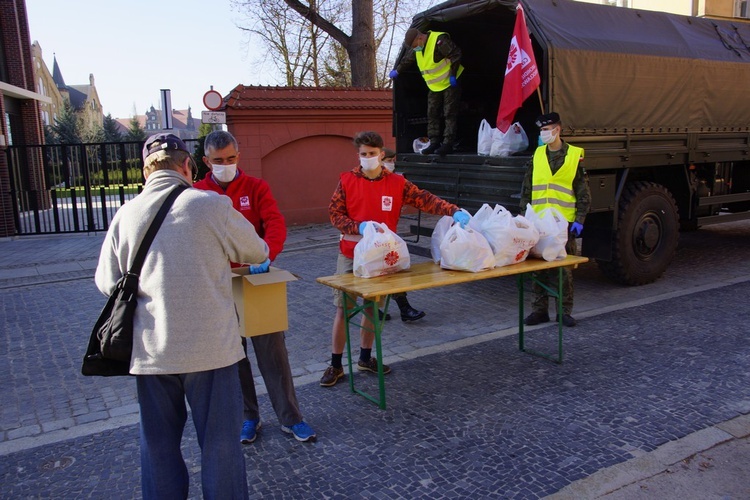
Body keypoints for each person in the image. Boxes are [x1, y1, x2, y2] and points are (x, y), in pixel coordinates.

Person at [95, 133, 269, 499]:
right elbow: (257, 251)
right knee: (221, 446)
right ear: (188, 166)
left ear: (145, 171)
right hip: (213, 350)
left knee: (157, 448)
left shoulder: (125, 214)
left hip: (152, 352)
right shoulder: (211, 205)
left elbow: (107, 282)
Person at [320, 131, 471, 387]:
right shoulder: (346, 181)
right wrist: (359, 226)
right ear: (358, 155)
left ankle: (365, 358)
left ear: (382, 153)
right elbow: (335, 216)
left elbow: (425, 199)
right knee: (343, 310)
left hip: (382, 258)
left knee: (373, 308)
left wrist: (453, 211)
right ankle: (335, 365)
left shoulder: (397, 183)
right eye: (363, 154)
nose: (368, 158)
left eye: (372, 153)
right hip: (351, 254)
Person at [193, 130, 316, 444]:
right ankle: (249, 417)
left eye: (231, 159)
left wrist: (267, 253)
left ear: (238, 156)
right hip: (221, 287)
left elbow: (274, 222)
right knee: (235, 358)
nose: (226, 165)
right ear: (206, 161)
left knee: (273, 354)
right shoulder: (198, 194)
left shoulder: (255, 187)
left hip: (259, 282)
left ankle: (291, 417)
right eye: (219, 161)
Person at [519, 113, 591, 327]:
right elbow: (526, 189)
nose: (543, 134)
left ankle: (564, 312)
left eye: (547, 129)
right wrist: (523, 218)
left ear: (557, 130)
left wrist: (580, 218)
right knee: (538, 268)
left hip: (563, 225)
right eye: (541, 130)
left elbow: (583, 191)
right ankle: (539, 311)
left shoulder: (573, 156)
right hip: (539, 223)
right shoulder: (538, 154)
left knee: (563, 271)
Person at [389, 28, 464, 157]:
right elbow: (407, 59)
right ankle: (434, 142)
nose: (415, 49)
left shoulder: (439, 40)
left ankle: (448, 143)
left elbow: (456, 54)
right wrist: (398, 71)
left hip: (450, 82)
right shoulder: (418, 48)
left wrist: (453, 75)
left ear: (420, 38)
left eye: (415, 46)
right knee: (432, 113)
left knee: (449, 113)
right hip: (434, 86)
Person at [379, 147, 425, 322]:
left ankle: (405, 309)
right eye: (388, 160)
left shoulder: (396, 182)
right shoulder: (363, 183)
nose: (391, 164)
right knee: (374, 275)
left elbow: (422, 197)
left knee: (394, 271)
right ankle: (373, 310)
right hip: (367, 241)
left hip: (389, 237)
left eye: (392, 160)